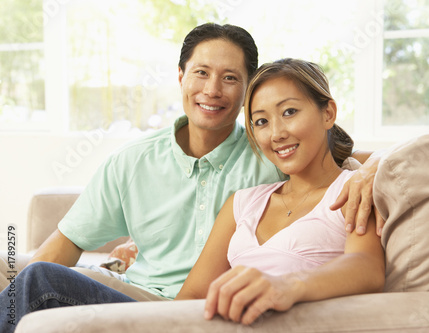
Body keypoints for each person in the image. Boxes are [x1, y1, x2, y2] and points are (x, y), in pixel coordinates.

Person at [0, 24, 378, 331]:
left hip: (190, 312)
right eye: (201, 73)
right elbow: (60, 249)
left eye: (230, 78)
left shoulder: (269, 150)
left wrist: (372, 170)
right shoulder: (134, 161)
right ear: (181, 77)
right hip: (144, 297)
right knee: (32, 277)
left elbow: (350, 157)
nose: (212, 90)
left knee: (39, 283)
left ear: (245, 91)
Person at [174, 58, 385, 325]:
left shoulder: (351, 189)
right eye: (261, 121)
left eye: (289, 112)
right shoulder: (242, 203)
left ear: (328, 113)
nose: (276, 134)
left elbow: (368, 267)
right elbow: (191, 295)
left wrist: (287, 286)